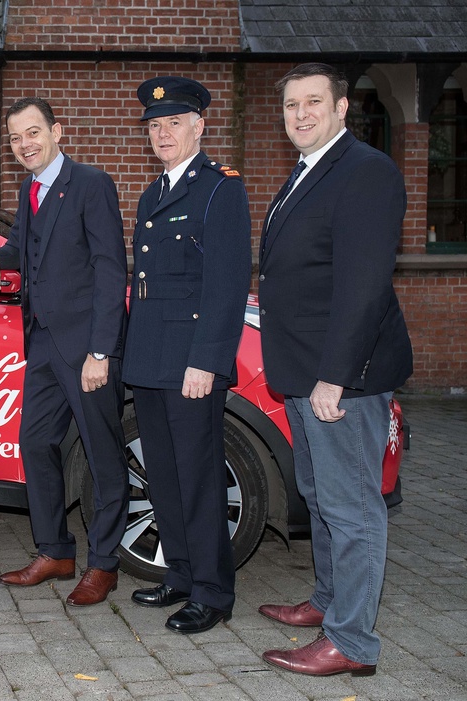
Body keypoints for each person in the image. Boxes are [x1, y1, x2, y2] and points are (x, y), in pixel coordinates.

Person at [257, 63, 413, 677]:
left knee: (353, 509)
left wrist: (335, 376)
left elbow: (364, 287)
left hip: (341, 378)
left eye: (313, 102)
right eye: (292, 104)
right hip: (303, 370)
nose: (300, 114)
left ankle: (351, 641)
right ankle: (327, 602)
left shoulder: (367, 174)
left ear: (343, 108)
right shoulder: (307, 171)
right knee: (321, 495)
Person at [0, 97, 130, 606]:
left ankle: (103, 565)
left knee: (103, 455)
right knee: (36, 442)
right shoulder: (29, 188)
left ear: (57, 131)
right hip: (41, 342)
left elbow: (110, 269)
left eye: (33, 133)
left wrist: (101, 352)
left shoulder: (91, 184)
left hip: (86, 348)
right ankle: (55, 552)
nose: (25, 145)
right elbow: (22, 245)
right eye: (16, 137)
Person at [123, 78, 252, 634]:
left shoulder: (220, 189)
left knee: (199, 478)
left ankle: (212, 592)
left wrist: (207, 362)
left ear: (199, 126)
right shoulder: (153, 193)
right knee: (164, 477)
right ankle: (178, 573)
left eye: (173, 123)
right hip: (150, 358)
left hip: (191, 362)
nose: (162, 134)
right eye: (154, 126)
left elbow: (226, 286)